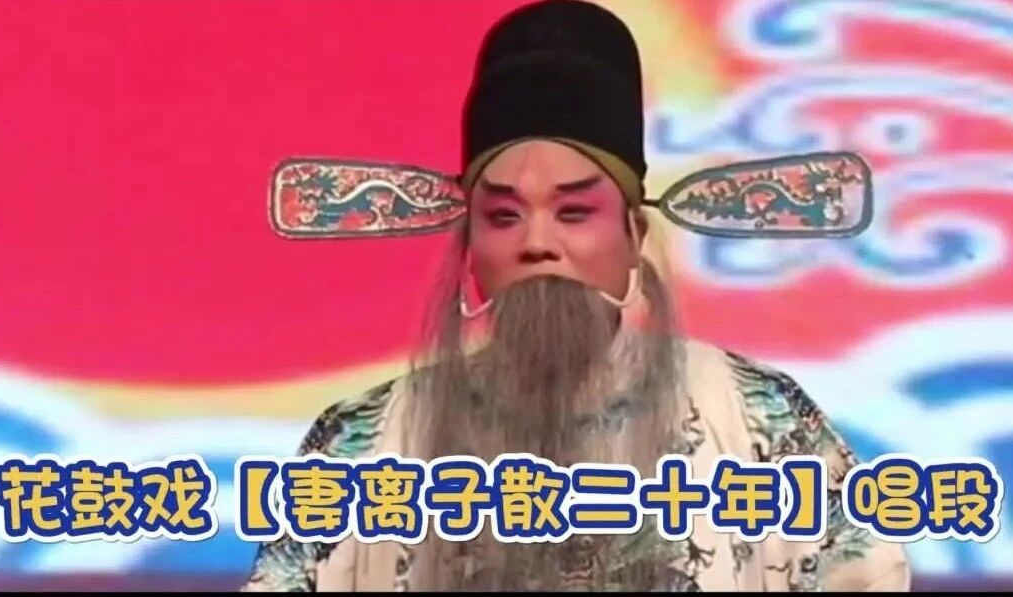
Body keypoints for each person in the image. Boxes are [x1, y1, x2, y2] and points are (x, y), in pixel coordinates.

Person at [242, 0, 911, 591]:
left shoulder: (760, 419)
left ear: (634, 232)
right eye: (504, 216)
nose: (538, 243)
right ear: (469, 244)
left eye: (574, 212)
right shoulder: (362, 443)